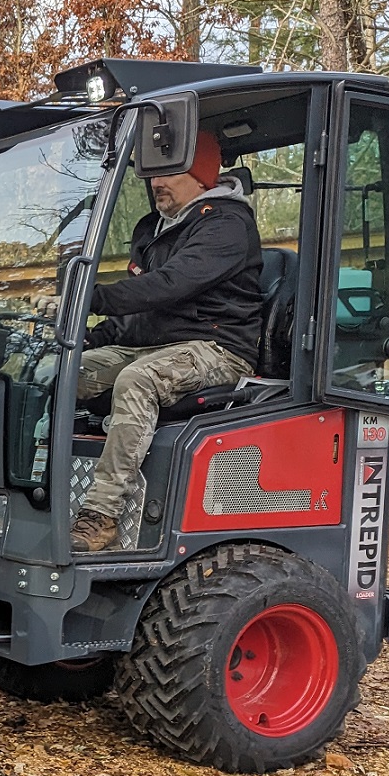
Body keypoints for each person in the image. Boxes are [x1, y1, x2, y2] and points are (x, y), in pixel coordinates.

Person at [69, 130, 263, 553]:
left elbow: (169, 286)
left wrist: (92, 298)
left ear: (202, 176)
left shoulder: (227, 225)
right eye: (153, 173)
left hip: (218, 348)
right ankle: (41, 492)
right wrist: (87, 338)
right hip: (157, 345)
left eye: (170, 171)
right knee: (67, 373)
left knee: (138, 380)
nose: (157, 182)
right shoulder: (153, 228)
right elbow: (143, 311)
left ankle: (101, 516)